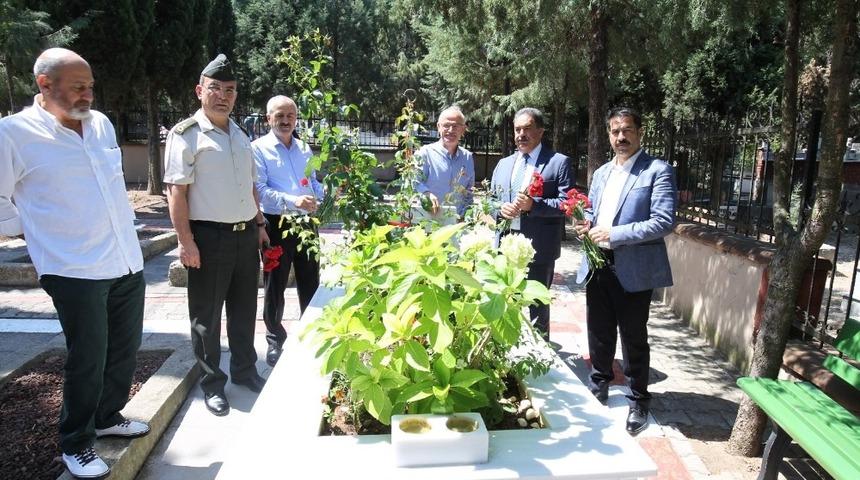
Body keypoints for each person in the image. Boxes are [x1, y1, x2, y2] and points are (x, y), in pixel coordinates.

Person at [0, 48, 149, 478]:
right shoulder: (14, 134)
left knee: (124, 349)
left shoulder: (99, 124)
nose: (88, 94)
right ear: (44, 85)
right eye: (78, 86)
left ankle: (107, 417)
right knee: (88, 356)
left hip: (124, 259)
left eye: (90, 86)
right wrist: (28, 229)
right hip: (73, 269)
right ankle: (76, 442)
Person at [163, 54, 269, 417]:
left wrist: (258, 224)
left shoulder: (239, 133)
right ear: (199, 90)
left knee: (244, 310)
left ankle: (244, 371)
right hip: (208, 238)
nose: (223, 96)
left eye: (230, 90)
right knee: (206, 318)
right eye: (215, 88)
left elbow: (250, 185)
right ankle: (212, 384)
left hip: (243, 238)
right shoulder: (186, 135)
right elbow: (176, 192)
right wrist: (185, 241)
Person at [574, 106, 676, 435]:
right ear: (608, 135)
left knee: (633, 336)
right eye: (615, 131)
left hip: (633, 268)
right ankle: (600, 383)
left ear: (639, 132)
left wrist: (615, 235)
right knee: (599, 329)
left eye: (627, 130)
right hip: (598, 262)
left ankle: (638, 399)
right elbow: (592, 210)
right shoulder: (602, 172)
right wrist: (584, 225)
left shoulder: (657, 170)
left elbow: (663, 221)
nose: (621, 137)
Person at [252, 95, 324, 366]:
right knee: (275, 285)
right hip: (276, 225)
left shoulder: (304, 148)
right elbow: (259, 191)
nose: (285, 121)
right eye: (279, 116)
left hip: (306, 224)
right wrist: (293, 200)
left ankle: (312, 335)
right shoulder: (258, 149)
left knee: (310, 281)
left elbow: (313, 183)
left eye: (290, 116)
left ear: (296, 119)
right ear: (268, 118)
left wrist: (323, 194)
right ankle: (275, 340)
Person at [491, 107, 571, 337]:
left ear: (540, 132)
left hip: (539, 249)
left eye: (527, 129)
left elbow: (566, 204)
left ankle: (540, 357)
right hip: (505, 247)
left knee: (537, 305)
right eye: (517, 129)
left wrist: (534, 206)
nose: (521, 135)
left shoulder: (558, 163)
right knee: (504, 304)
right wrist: (500, 208)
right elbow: (491, 200)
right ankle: (504, 351)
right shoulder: (504, 164)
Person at [414, 106, 475, 218]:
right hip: (428, 220)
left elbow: (469, 191)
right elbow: (415, 182)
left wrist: (466, 216)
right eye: (446, 125)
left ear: (463, 130)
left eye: (455, 126)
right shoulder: (424, 153)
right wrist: (426, 193)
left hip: (456, 224)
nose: (451, 130)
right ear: (438, 127)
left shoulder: (467, 157)